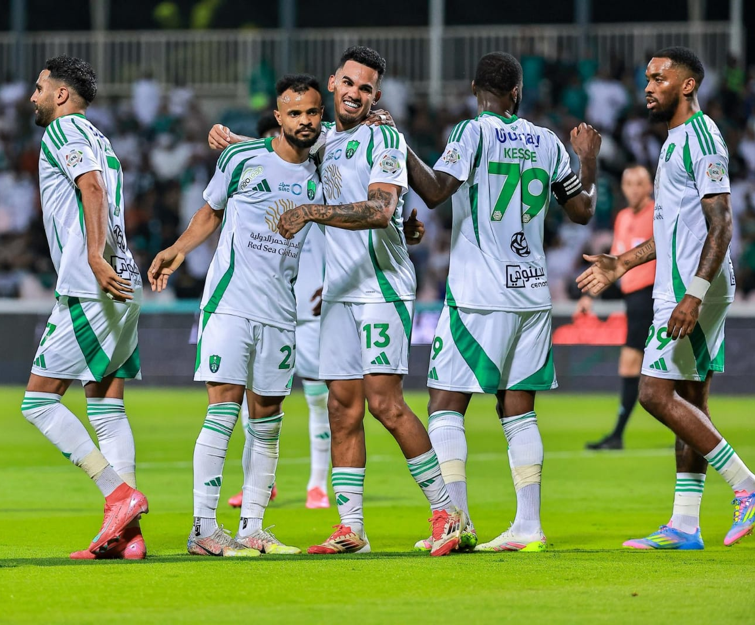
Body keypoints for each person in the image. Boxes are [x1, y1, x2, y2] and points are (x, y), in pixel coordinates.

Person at [213, 46, 463, 557]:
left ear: (376, 97)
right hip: (339, 292)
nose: (355, 93)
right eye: (349, 83)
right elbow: (284, 146)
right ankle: (352, 528)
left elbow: (380, 209)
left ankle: (449, 513)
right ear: (333, 83)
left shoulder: (384, 138)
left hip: (381, 288)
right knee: (341, 409)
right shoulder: (325, 139)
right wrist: (233, 140)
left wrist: (312, 211)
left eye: (366, 88)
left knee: (385, 403)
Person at [397, 51, 601, 552]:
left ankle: (456, 521)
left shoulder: (472, 133)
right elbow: (582, 211)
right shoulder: (548, 141)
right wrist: (588, 159)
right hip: (531, 294)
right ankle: (528, 524)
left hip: (479, 296)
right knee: (518, 411)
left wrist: (397, 144)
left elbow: (435, 191)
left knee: (445, 404)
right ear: (517, 92)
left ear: (474, 89)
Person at [578, 46, 755, 550]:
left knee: (654, 394)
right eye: (647, 79)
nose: (649, 87)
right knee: (691, 401)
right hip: (685, 282)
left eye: (659, 78)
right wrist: (622, 263)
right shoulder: (675, 140)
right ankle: (684, 524)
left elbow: (722, 224)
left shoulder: (701, 137)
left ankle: (746, 485)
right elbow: (674, 227)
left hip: (689, 285)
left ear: (688, 85)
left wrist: (693, 295)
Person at [148, 74, 326, 557]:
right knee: (223, 411)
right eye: (295, 113)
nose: (304, 121)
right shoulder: (241, 158)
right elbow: (211, 211)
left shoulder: (324, 172)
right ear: (278, 116)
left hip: (282, 313)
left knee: (267, 421)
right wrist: (179, 249)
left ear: (321, 116)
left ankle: (252, 528)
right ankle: (203, 528)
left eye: (312, 112)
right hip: (230, 304)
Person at [23, 56, 148, 560]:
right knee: (106, 405)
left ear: (60, 94)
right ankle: (128, 536)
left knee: (38, 402)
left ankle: (118, 496)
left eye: (39, 88)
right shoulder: (101, 139)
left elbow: (90, 188)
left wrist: (94, 257)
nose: (33, 97)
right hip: (123, 284)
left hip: (90, 284)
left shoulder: (64, 130)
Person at [226, 112, 331, 511]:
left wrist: (331, 282)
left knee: (318, 399)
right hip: (264, 307)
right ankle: (260, 482)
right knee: (253, 400)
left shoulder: (318, 184)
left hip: (310, 309)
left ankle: (317, 484)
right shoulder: (253, 191)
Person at [580, 165, 656, 450]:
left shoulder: (658, 214)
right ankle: (684, 434)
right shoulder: (623, 217)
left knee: (631, 362)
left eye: (639, 183)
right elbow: (614, 262)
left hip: (651, 296)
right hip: (632, 298)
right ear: (622, 188)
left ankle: (617, 435)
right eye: (628, 183)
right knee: (660, 367)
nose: (634, 189)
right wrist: (591, 296)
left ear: (649, 187)